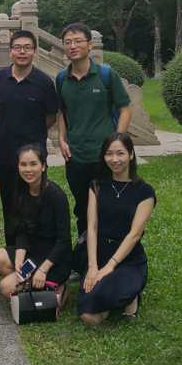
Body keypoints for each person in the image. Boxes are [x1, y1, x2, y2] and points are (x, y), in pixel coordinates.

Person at [56, 22, 131, 239]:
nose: (72, 46)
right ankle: (85, 250)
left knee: (107, 205)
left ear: (89, 45)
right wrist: (61, 139)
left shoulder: (106, 75)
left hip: (104, 156)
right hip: (75, 156)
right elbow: (62, 111)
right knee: (82, 207)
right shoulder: (61, 78)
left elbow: (125, 109)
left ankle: (110, 248)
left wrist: (117, 140)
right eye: (68, 42)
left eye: (78, 41)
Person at [76, 132, 156, 325]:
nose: (114, 159)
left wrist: (109, 267)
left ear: (131, 154)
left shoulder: (144, 192)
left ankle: (131, 296)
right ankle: (114, 297)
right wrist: (93, 266)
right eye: (109, 154)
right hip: (100, 252)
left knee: (106, 290)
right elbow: (92, 227)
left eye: (120, 153)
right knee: (88, 316)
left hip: (128, 257)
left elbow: (134, 235)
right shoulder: (97, 186)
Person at [0, 30, 58, 245]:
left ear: (34, 52)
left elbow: (51, 116)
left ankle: (35, 249)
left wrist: (33, 133)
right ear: (10, 51)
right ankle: (12, 248)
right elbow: (1, 109)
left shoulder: (44, 82)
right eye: (18, 47)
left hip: (34, 156)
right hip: (5, 154)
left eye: (27, 47)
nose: (22, 51)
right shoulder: (0, 78)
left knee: (35, 203)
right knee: (9, 205)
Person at [0, 144, 72, 304]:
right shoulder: (22, 191)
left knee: (5, 287)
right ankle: (32, 285)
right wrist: (19, 262)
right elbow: (22, 230)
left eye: (33, 164)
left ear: (43, 166)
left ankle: (58, 288)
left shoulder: (56, 196)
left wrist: (43, 269)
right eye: (23, 164)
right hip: (33, 253)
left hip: (54, 259)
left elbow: (64, 240)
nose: (28, 169)